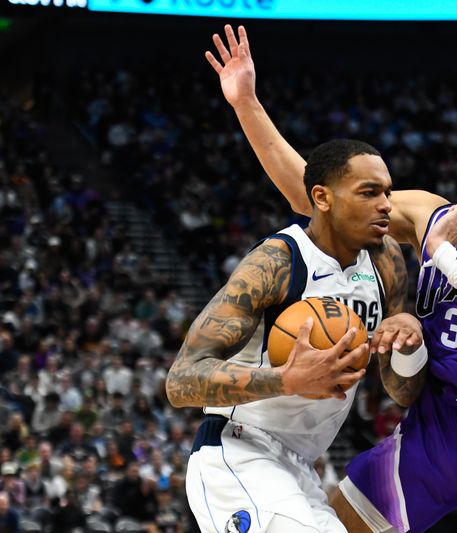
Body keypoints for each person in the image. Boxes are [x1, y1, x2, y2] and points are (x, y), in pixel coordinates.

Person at [207, 25, 457, 533]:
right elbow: (312, 197)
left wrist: (443, 255)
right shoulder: (428, 211)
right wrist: (246, 103)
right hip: (431, 428)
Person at [165, 138, 426, 533]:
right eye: (369, 193)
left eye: (387, 192)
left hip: (301, 468)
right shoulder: (278, 262)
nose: (387, 204)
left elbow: (401, 392)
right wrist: (285, 380)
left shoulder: (386, 260)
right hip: (238, 451)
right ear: (322, 198)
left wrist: (408, 342)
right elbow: (181, 381)